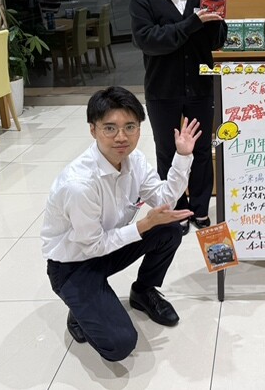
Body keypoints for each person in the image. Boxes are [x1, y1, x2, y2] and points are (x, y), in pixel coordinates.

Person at [41, 86, 202, 362]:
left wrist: (183, 156)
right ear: (93, 130)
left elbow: (164, 199)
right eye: (110, 128)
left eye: (130, 127)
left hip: (108, 246)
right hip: (73, 263)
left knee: (169, 229)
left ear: (139, 128)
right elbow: (92, 246)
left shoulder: (133, 160)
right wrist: (143, 225)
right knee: (120, 345)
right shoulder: (79, 185)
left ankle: (143, 291)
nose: (121, 137)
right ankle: (79, 308)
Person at [131, 0, 227, 235]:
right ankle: (175, 208)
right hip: (162, 89)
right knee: (168, 151)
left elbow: (215, 43)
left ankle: (199, 208)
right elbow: (148, 40)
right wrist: (192, 22)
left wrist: (219, 17)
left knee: (201, 150)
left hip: (200, 87)